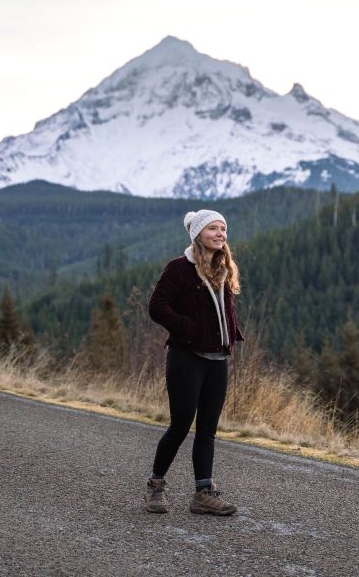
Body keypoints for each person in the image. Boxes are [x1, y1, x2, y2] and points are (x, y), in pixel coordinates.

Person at [145, 209, 244, 516]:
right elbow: (157, 307)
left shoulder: (223, 266)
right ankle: (156, 485)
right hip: (186, 358)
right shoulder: (179, 268)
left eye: (223, 229)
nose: (220, 234)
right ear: (198, 234)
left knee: (208, 430)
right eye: (213, 228)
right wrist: (188, 329)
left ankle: (203, 493)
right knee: (180, 425)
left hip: (217, 359)